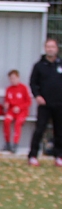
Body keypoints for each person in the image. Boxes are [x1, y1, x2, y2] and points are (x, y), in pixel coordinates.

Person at [28, 38, 62, 167]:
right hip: (44, 104)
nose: (50, 49)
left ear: (57, 49)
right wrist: (37, 96)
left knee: (59, 131)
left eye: (52, 47)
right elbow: (33, 82)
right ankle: (32, 156)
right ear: (45, 48)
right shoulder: (39, 66)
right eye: (48, 47)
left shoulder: (60, 64)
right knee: (39, 129)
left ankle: (59, 156)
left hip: (59, 104)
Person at [2, 70, 31, 153]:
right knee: (6, 121)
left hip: (22, 111)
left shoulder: (23, 88)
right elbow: (7, 101)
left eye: (14, 78)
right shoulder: (9, 89)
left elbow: (28, 102)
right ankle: (7, 143)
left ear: (18, 78)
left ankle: (15, 144)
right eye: (11, 79)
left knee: (18, 123)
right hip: (11, 111)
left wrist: (19, 107)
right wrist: (6, 105)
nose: (12, 80)